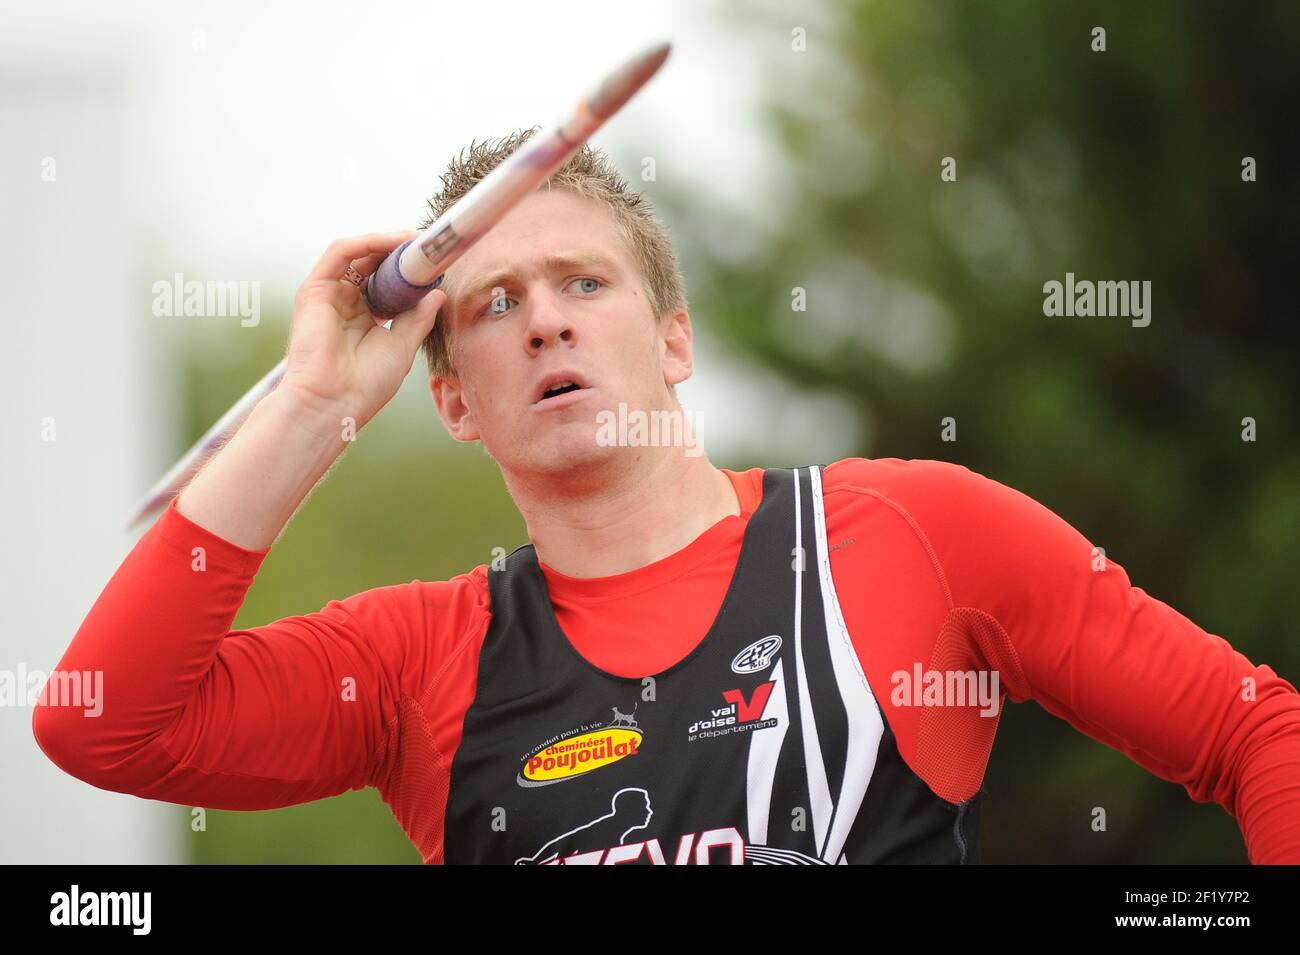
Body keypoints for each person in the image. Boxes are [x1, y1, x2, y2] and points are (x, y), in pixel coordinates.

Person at [32, 129, 1300, 865]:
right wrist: (311, 413)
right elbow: (105, 730)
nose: (541, 322)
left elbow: (1260, 736)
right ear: (453, 400)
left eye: (582, 284)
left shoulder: (913, 534)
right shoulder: (422, 660)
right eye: (492, 303)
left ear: (675, 339)